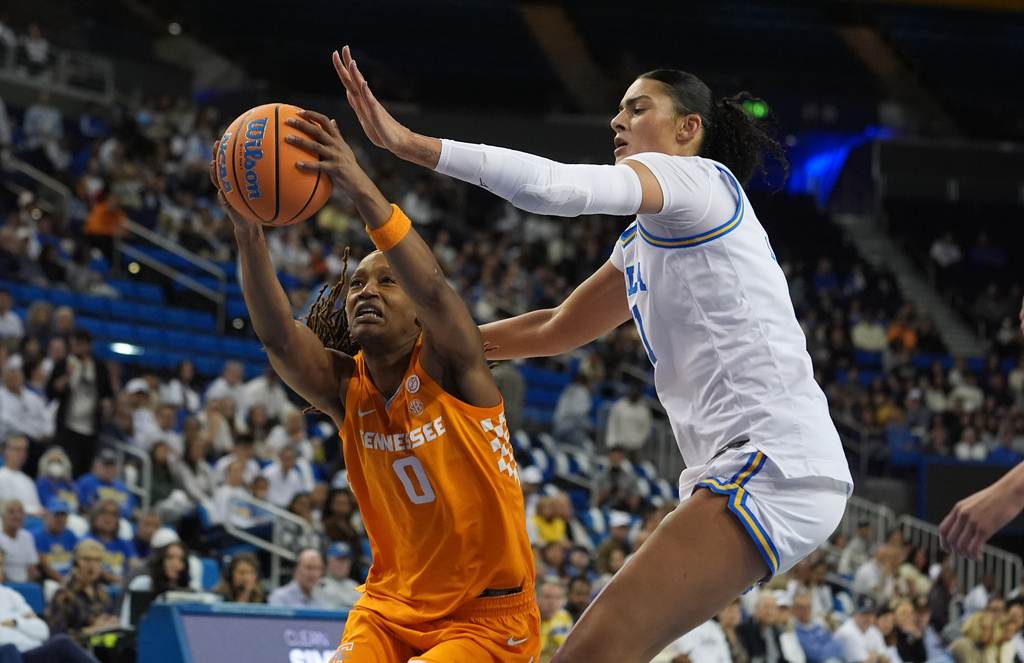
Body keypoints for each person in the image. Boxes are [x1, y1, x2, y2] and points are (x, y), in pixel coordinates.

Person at [335, 48, 853, 662]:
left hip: (773, 462)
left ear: (689, 130)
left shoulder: (700, 180)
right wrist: (433, 349)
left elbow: (554, 187)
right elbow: (559, 326)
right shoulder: (645, 238)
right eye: (618, 110)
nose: (618, 121)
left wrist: (409, 144)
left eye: (638, 108)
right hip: (757, 467)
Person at [210, 102, 539, 662]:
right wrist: (249, 235)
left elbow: (434, 288)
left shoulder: (456, 370)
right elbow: (280, 340)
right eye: (357, 282)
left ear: (418, 318)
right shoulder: (345, 390)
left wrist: (358, 183)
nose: (366, 290)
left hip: (485, 619)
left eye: (388, 281)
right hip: (389, 608)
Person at [0, 547, 102, 663]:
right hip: (7, 655)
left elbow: (42, 630)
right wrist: (24, 623)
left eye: (1, 564)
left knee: (62, 643)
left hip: (31, 652)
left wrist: (16, 622)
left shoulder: (12, 596)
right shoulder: (65, 593)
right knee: (8, 649)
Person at [45, 539, 119, 648]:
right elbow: (57, 638)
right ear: (76, 562)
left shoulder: (102, 593)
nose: (92, 565)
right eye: (86, 559)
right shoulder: (64, 594)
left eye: (97, 560)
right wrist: (89, 631)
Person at [33, 498, 77, 582]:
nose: (60, 519)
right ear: (47, 515)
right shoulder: (37, 536)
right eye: (56, 515)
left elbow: (78, 559)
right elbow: (43, 565)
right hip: (49, 580)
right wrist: (62, 580)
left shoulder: (71, 535)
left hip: (71, 579)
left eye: (63, 516)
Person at [313, 541, 362, 611]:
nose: (345, 564)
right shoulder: (320, 585)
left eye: (347, 560)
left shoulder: (355, 586)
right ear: (329, 562)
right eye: (340, 560)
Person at [0, 501, 38, 583]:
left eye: (20, 512)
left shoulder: (27, 537)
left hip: (27, 584)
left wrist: (28, 585)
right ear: (3, 516)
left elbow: (32, 566)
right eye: (11, 512)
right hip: (5, 584)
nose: (17, 516)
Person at [537, 579, 573, 663]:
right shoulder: (527, 620)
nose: (552, 603)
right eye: (548, 597)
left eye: (557, 598)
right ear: (537, 597)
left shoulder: (564, 617)